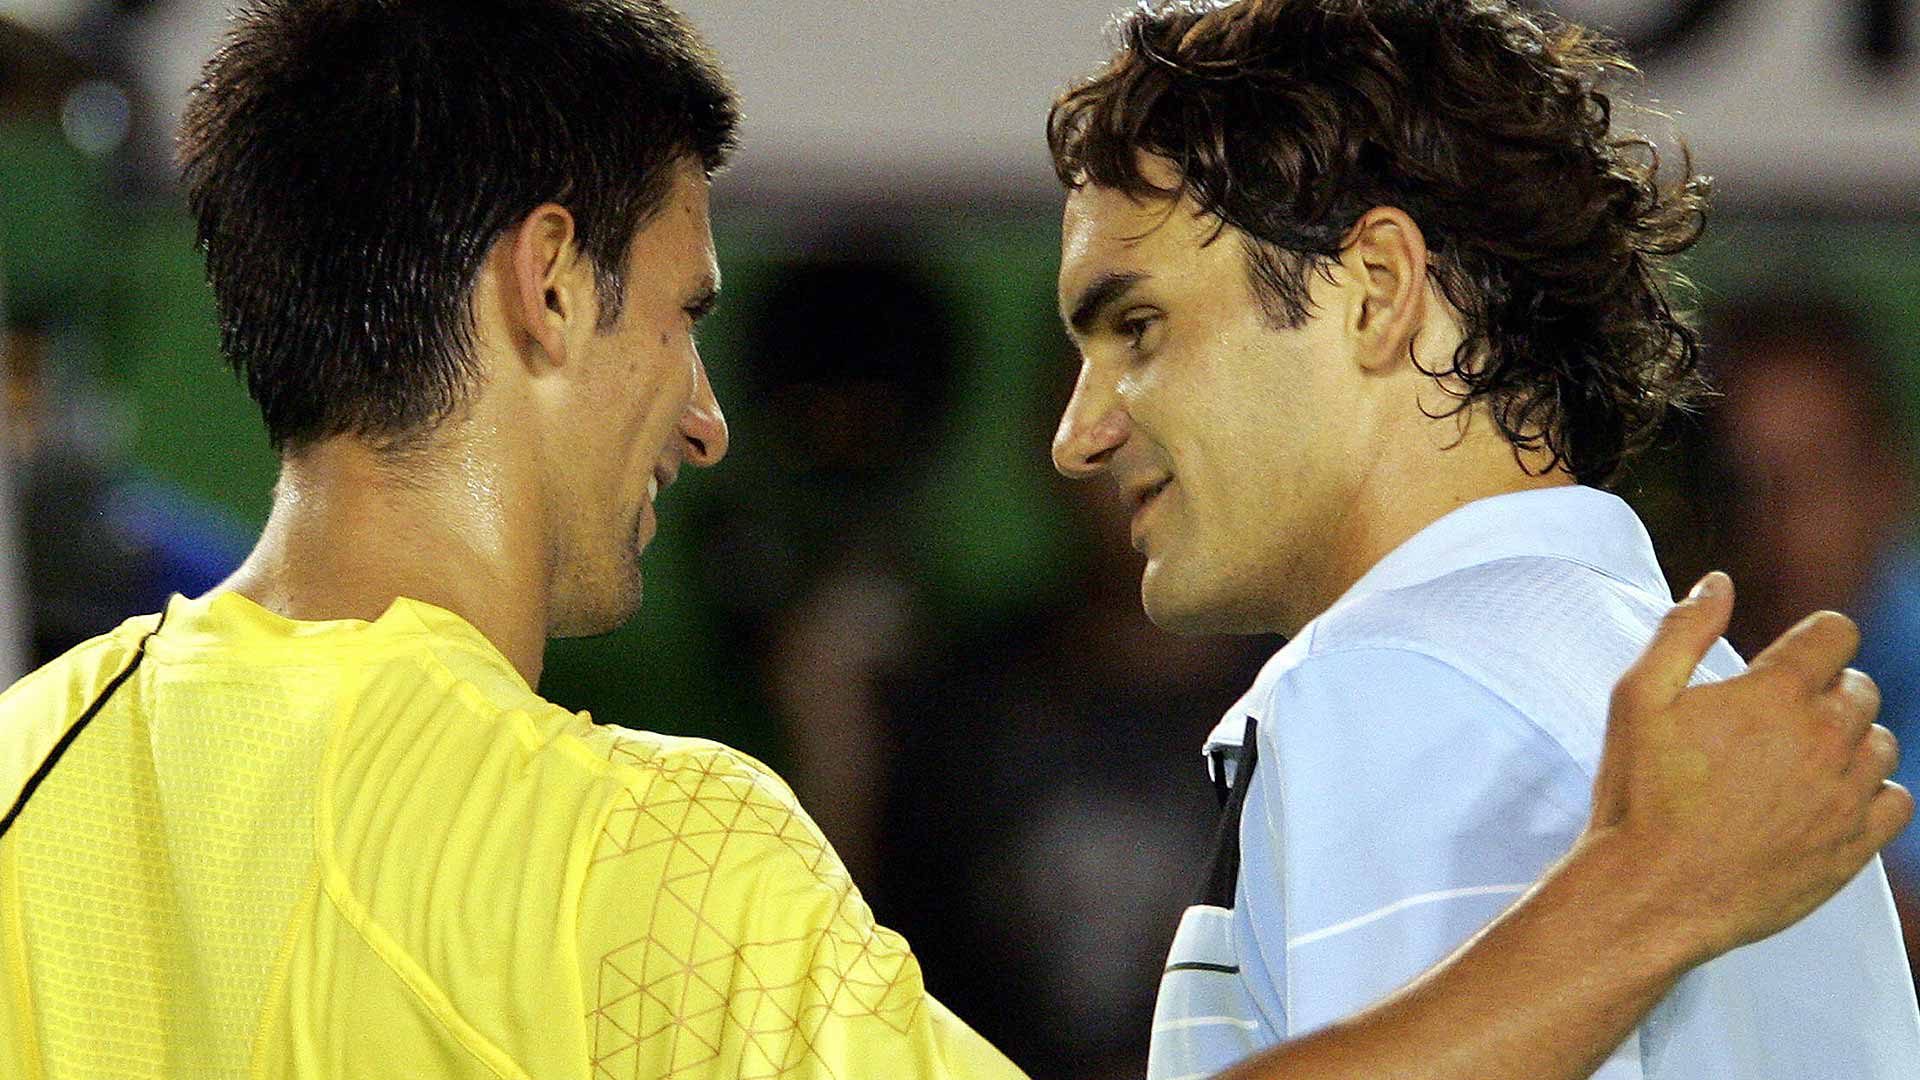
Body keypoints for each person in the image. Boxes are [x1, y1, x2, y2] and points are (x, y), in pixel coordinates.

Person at [0, 2, 1905, 1079]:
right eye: (687, 311)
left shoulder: (26, 781)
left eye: (1133, 327)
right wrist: (1647, 896)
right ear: (550, 290)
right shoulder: (646, 859)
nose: (710, 412)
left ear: (1387, 293)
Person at [1044, 2, 1920, 1078]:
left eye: (1138, 327)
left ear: (1376, 290)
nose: (1079, 437)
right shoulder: (1652, 688)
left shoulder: (1399, 675)